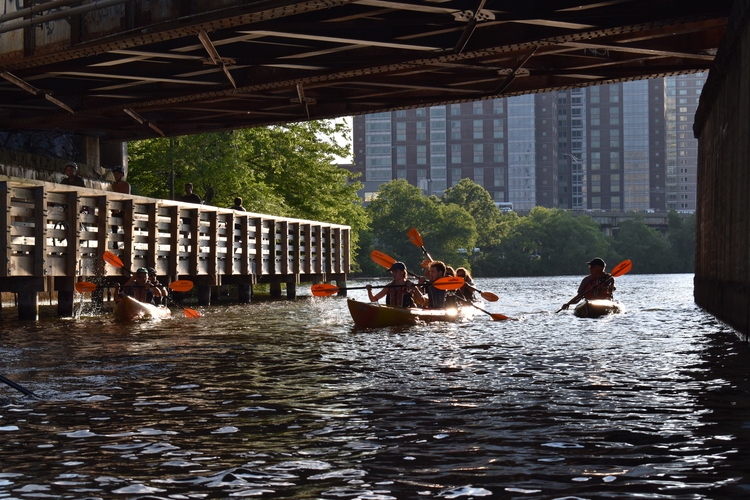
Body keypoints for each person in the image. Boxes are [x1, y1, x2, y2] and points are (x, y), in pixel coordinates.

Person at [110, 166, 130, 248]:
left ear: (122, 175)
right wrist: (114, 208)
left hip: (124, 209)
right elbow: (111, 197)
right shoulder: (113, 186)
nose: (116, 176)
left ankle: (127, 245)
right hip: (115, 208)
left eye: (117, 174)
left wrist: (120, 208)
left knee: (126, 227)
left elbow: (126, 197)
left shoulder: (126, 185)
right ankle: (115, 243)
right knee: (114, 226)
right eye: (114, 174)